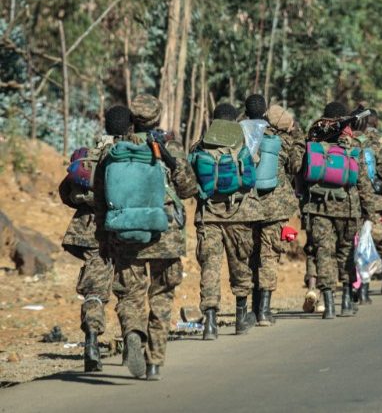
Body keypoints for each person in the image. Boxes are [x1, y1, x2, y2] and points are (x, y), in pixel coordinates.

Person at [95, 94, 198, 380]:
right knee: (162, 295)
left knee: (130, 293)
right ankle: (154, 361)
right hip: (165, 232)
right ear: (157, 117)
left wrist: (105, 236)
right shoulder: (169, 146)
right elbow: (189, 189)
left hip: (126, 233)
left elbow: (101, 198)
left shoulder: (113, 151)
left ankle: (133, 333)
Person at [59, 105, 130, 372]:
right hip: (127, 231)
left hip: (91, 232)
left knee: (94, 291)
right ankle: (131, 342)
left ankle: (91, 341)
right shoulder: (132, 155)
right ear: (128, 127)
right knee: (129, 290)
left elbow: (66, 193)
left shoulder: (90, 155)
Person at [301, 102, 377, 318]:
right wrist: (369, 214)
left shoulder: (314, 142)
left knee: (323, 253)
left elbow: (302, 175)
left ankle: (328, 304)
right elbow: (364, 184)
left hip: (318, 207)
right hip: (348, 208)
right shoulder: (353, 147)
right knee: (346, 253)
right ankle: (345, 298)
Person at [193, 102, 259, 339]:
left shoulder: (201, 145)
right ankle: (241, 318)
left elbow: (191, 178)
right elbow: (251, 176)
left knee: (209, 268)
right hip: (238, 213)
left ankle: (210, 322)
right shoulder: (242, 143)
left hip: (208, 216)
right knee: (240, 264)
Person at [250, 103, 306, 324]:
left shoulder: (251, 137)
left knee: (252, 256)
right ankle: (264, 310)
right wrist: (298, 136)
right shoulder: (285, 142)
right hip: (276, 208)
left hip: (250, 206)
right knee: (269, 257)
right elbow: (296, 167)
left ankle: (251, 309)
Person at [350, 107, 382, 301]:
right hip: (374, 202)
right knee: (373, 243)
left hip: (348, 201)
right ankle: (368, 286)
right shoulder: (381, 143)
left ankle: (356, 288)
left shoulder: (345, 141)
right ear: (376, 123)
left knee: (354, 243)